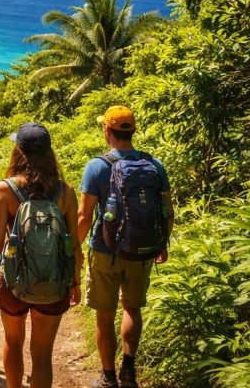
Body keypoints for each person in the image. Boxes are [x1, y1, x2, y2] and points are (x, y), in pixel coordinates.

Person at [0, 122, 82, 388]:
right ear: (49, 152)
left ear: (18, 151)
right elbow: (74, 245)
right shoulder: (66, 192)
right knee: (43, 353)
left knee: (13, 343)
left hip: (13, 280)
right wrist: (75, 281)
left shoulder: (5, 189)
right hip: (54, 280)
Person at [79, 106, 173, 388]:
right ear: (132, 131)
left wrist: (72, 250)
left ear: (108, 131)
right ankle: (129, 371)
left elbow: (85, 216)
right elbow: (168, 211)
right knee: (132, 308)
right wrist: (161, 244)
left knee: (104, 314)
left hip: (104, 251)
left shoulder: (96, 166)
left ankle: (108, 378)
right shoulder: (154, 165)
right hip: (142, 251)